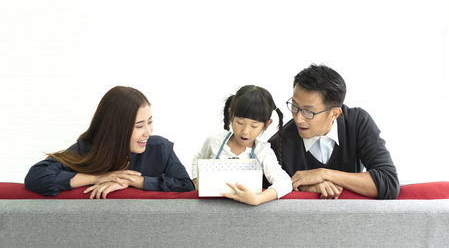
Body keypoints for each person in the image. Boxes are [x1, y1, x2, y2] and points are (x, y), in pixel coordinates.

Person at [25, 86, 194, 198]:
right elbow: (37, 177)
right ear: (116, 129)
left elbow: (186, 186)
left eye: (150, 122)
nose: (148, 132)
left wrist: (130, 181)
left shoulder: (160, 148)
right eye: (139, 126)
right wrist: (98, 178)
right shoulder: (87, 149)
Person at [266, 64, 400, 199]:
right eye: (294, 107)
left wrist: (324, 174)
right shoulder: (277, 145)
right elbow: (264, 193)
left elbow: (388, 183)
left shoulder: (358, 122)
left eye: (308, 112)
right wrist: (305, 188)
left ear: (334, 114)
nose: (298, 118)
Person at [192, 85, 292, 205]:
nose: (245, 131)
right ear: (231, 115)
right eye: (240, 122)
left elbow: (285, 182)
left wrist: (258, 199)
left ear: (266, 124)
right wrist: (196, 182)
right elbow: (197, 160)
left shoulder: (263, 152)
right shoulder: (215, 140)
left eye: (254, 126)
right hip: (211, 209)